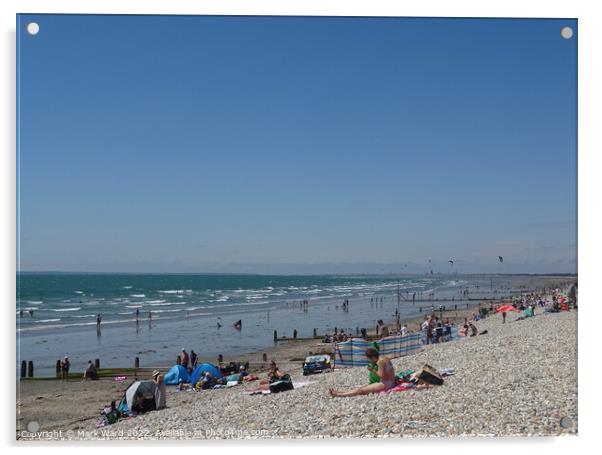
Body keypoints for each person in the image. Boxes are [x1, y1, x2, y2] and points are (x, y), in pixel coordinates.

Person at [329, 348, 396, 397]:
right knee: (363, 388)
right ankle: (341, 393)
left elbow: (381, 375)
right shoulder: (384, 358)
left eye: (370, 359)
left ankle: (339, 394)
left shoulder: (379, 362)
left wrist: (373, 370)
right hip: (391, 382)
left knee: (361, 390)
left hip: (386, 384)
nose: (370, 361)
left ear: (372, 357)